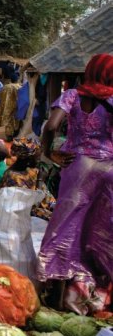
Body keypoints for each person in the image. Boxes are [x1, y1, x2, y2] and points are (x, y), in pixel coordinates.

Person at [38, 53, 113, 315]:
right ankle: (97, 293)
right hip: (109, 170)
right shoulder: (111, 98)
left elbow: (51, 126)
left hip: (78, 167)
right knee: (100, 230)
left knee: (65, 227)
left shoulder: (72, 95)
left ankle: (57, 297)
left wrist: (49, 153)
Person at [0, 137, 56, 220]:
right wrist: (40, 180)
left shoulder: (31, 171)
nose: (39, 160)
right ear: (28, 159)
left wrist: (55, 206)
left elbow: (47, 197)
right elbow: (29, 208)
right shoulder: (13, 178)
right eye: (37, 157)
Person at [0, 71, 23, 141]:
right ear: (17, 79)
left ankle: (9, 136)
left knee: (8, 122)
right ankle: (15, 135)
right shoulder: (20, 87)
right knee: (16, 122)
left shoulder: (5, 87)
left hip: (6, 108)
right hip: (16, 108)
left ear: (11, 80)